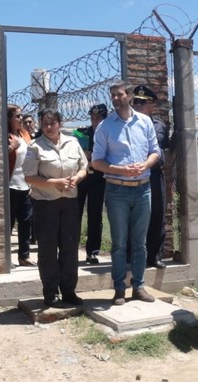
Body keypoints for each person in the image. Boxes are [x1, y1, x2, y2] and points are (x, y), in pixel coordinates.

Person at [92, 81, 161, 306]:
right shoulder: (105, 127)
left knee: (140, 242)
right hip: (117, 190)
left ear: (129, 95)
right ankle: (119, 288)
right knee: (119, 243)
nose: (115, 99)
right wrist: (120, 170)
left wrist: (146, 164)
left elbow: (155, 151)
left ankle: (138, 287)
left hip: (143, 189)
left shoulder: (145, 122)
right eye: (112, 95)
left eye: (119, 94)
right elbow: (97, 162)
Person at [23, 108, 88, 308]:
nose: (49, 127)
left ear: (60, 123)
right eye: (45, 123)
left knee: (69, 247)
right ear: (40, 125)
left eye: (52, 123)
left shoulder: (73, 142)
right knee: (48, 249)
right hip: (45, 203)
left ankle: (69, 291)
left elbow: (84, 167)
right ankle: (50, 293)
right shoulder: (35, 147)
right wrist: (55, 182)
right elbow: (29, 177)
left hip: (69, 202)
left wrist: (76, 178)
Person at [131, 85, 168, 269]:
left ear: (151, 105)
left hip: (154, 176)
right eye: (135, 102)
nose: (138, 105)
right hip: (134, 175)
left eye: (142, 102)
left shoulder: (160, 126)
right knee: (135, 216)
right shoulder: (127, 125)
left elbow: (166, 150)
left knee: (157, 215)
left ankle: (155, 256)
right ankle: (134, 256)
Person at [72, 104, 108, 264]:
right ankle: (71, 249)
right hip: (81, 178)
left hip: (98, 179)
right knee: (75, 215)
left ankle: (92, 252)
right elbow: (74, 152)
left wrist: (92, 157)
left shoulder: (108, 133)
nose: (95, 121)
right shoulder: (82, 132)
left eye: (98, 118)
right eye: (92, 118)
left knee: (95, 216)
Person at [7, 105, 35, 267]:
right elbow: (0, 156)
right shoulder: (5, 136)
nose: (20, 119)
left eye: (21, 116)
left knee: (26, 222)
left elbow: (31, 157)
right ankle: (6, 257)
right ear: (9, 118)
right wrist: (12, 147)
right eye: (17, 116)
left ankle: (24, 256)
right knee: (9, 224)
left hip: (25, 185)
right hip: (10, 185)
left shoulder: (24, 135)